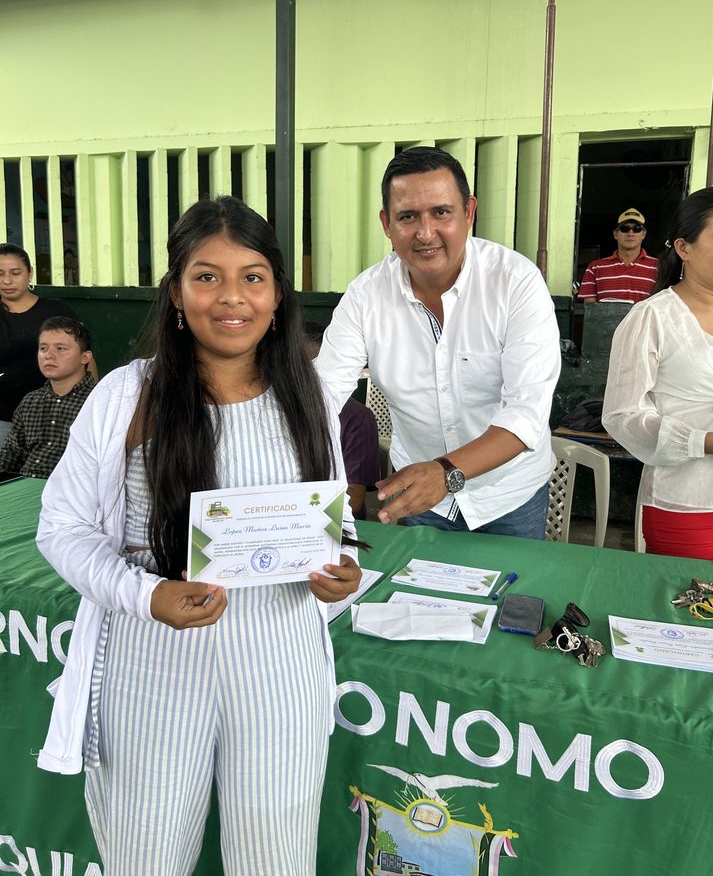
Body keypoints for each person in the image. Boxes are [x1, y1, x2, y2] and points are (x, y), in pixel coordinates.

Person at [35, 196, 362, 876]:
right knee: (145, 856)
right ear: (177, 294)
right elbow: (61, 528)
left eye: (252, 277)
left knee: (275, 859)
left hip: (281, 665)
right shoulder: (127, 395)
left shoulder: (310, 395)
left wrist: (341, 571)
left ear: (277, 295)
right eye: (207, 277)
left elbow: (337, 524)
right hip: (152, 666)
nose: (231, 297)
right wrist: (144, 595)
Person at [316, 146, 561, 538]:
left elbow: (526, 412)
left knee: (513, 582)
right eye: (408, 216)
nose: (425, 233)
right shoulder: (365, 295)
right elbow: (323, 393)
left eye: (441, 212)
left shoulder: (516, 283)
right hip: (420, 497)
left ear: (469, 212)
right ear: (386, 223)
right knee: (418, 582)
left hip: (508, 495)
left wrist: (446, 472)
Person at [603, 188, 713, 560]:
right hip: (689, 506)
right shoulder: (652, 317)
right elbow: (622, 416)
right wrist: (706, 442)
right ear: (684, 248)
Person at [0, 242, 97, 446]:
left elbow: (85, 359)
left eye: (15, 273)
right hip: (3, 417)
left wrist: (93, 404)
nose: (7, 280)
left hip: (56, 416)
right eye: (0, 274)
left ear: (30, 273)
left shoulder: (56, 310)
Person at [0, 316, 94, 478]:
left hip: (70, 487)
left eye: (60, 348)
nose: (49, 355)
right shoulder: (31, 401)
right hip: (25, 485)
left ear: (85, 357)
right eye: (43, 348)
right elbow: (12, 453)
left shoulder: (98, 402)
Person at [305, 322, 381, 520]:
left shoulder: (357, 419)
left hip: (334, 527)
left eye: (312, 369)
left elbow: (353, 501)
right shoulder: (270, 411)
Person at [577, 209, 658, 304]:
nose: (630, 233)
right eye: (624, 229)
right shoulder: (595, 268)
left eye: (637, 229)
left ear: (643, 234)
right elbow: (590, 308)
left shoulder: (659, 267)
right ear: (615, 234)